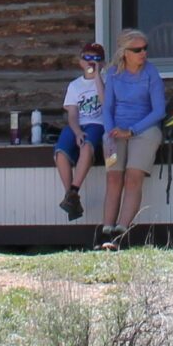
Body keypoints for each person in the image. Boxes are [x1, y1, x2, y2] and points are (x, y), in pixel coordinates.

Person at [96, 28, 166, 247]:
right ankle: (106, 231)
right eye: (137, 49)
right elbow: (107, 107)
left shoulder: (151, 73)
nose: (143, 53)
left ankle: (121, 232)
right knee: (113, 177)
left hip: (144, 130)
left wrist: (132, 130)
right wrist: (110, 132)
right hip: (116, 130)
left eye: (145, 48)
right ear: (124, 52)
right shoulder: (115, 75)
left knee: (133, 177)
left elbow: (159, 111)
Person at [54, 43, 108, 220]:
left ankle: (73, 191)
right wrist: (77, 132)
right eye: (87, 58)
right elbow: (72, 114)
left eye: (96, 59)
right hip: (78, 124)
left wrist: (98, 76)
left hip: (97, 123)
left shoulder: (106, 80)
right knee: (61, 153)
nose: (91, 62)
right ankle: (70, 195)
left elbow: (105, 102)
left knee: (86, 147)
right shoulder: (75, 85)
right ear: (80, 61)